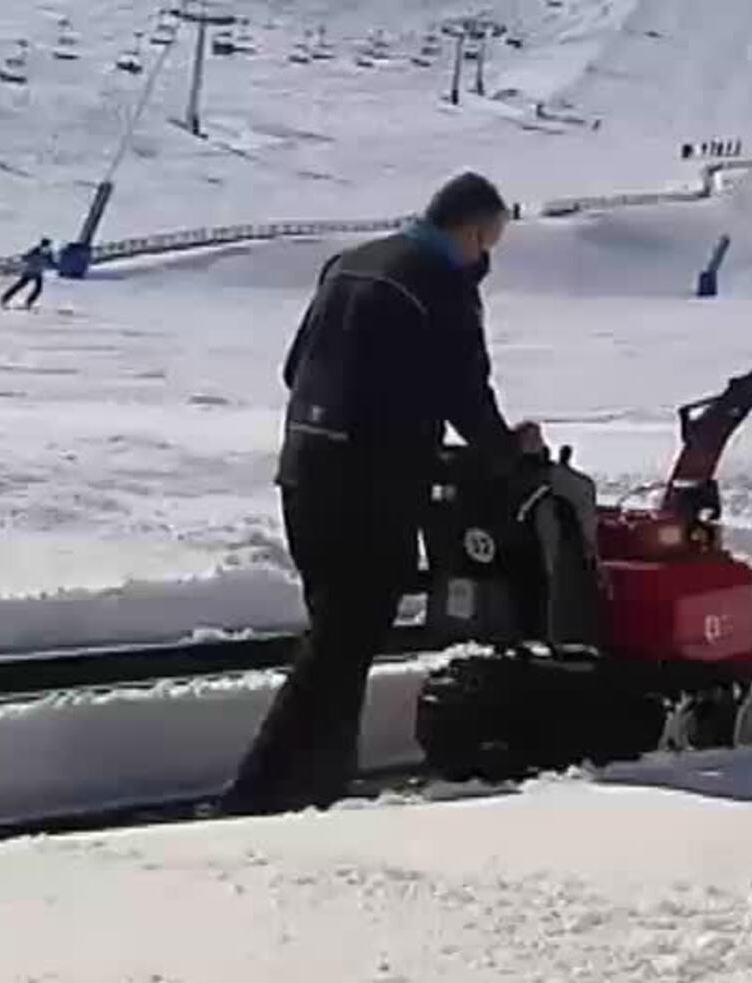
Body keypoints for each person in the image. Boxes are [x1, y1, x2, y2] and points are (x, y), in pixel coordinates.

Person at [222, 171, 544, 815]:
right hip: (371, 482)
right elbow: (465, 393)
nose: (490, 255)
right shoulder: (441, 285)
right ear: (474, 228)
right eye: (493, 239)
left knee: (339, 635)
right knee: (345, 639)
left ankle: (322, 783)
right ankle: (257, 792)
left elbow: (295, 368)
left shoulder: (349, 265)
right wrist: (509, 452)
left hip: (304, 468)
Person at [0, 237, 55, 309]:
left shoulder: (48, 253)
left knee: (37, 289)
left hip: (37, 272)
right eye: (46, 245)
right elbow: (26, 258)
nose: (47, 246)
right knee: (20, 286)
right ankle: (5, 299)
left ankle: (28, 302)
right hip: (30, 271)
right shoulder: (36, 250)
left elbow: (51, 263)